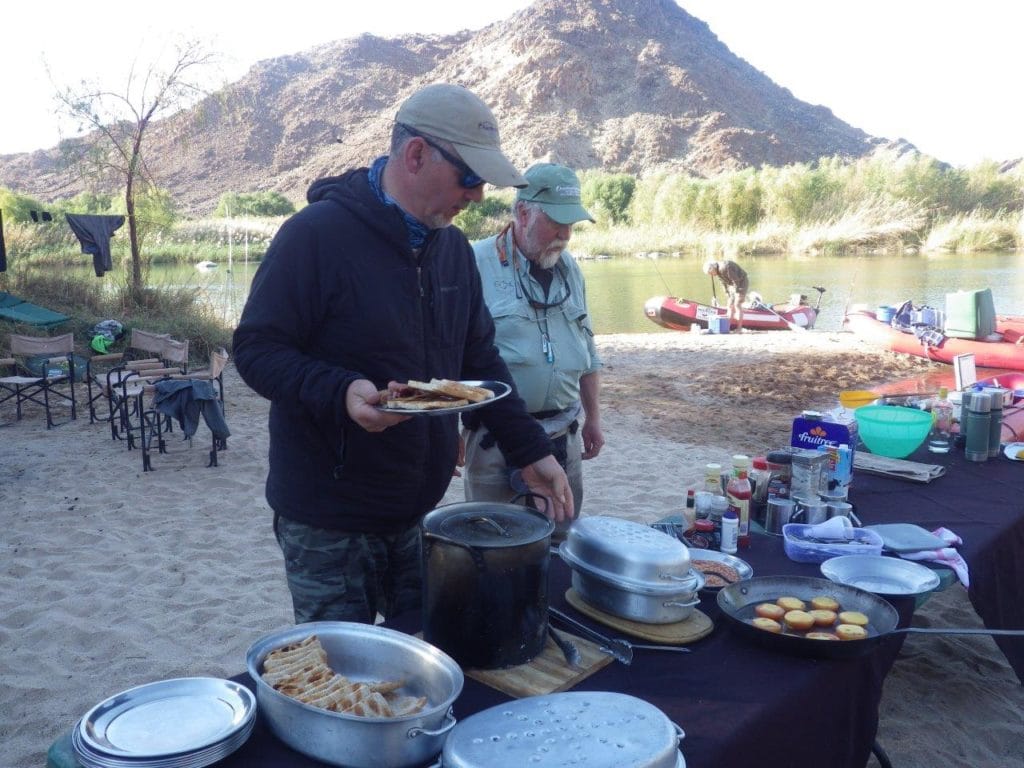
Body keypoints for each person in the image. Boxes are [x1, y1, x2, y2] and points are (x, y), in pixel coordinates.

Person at [232, 83, 573, 625]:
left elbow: (479, 363)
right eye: (470, 178)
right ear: (416, 155)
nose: (478, 197)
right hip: (329, 520)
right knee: (345, 676)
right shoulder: (314, 237)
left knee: (421, 656)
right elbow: (254, 349)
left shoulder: (452, 251)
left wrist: (530, 451)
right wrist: (341, 390)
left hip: (418, 514)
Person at [461, 163, 603, 538]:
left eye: (572, 223)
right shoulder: (472, 263)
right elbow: (449, 357)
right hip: (494, 441)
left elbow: (587, 349)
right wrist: (446, 432)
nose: (567, 234)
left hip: (564, 438)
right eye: (557, 222)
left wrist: (594, 418)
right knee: (490, 548)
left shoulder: (570, 268)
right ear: (523, 213)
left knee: (560, 544)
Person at [704, 258, 750, 331]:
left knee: (737, 304)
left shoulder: (724, 267)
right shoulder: (718, 272)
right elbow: (723, 284)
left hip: (741, 281)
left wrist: (737, 293)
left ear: (713, 268)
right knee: (729, 305)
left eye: (710, 273)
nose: (711, 275)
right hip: (733, 284)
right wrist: (728, 295)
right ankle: (726, 327)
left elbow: (736, 280)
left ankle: (739, 328)